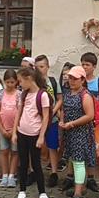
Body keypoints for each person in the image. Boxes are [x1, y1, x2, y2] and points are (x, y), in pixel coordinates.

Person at [58, 65, 96, 198]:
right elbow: (64, 109)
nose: (71, 81)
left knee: (79, 162)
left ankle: (78, 195)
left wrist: (72, 123)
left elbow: (90, 115)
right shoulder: (68, 93)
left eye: (75, 78)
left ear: (82, 80)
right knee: (74, 160)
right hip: (70, 133)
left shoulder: (85, 95)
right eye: (70, 78)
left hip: (81, 133)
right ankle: (80, 188)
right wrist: (62, 120)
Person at [14, 65, 51, 198]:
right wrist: (14, 132)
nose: (20, 84)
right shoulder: (24, 94)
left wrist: (41, 136)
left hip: (35, 134)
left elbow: (46, 117)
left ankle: (42, 193)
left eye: (20, 81)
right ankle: (22, 191)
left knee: (36, 164)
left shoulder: (43, 95)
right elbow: (19, 113)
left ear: (29, 79)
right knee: (23, 164)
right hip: (22, 133)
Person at [35, 54, 63, 188]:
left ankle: (54, 172)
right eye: (37, 67)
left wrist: (53, 111)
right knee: (35, 146)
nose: (39, 69)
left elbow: (60, 99)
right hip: (37, 120)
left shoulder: (52, 81)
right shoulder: (34, 82)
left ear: (47, 67)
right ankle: (34, 171)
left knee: (52, 146)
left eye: (41, 66)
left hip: (52, 120)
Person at [80, 51, 99, 191]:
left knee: (93, 150)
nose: (84, 67)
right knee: (78, 150)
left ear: (94, 66)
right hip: (80, 122)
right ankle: (75, 178)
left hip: (94, 123)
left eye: (87, 64)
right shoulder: (78, 80)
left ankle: (91, 178)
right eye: (82, 64)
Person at [0, 69, 21, 188]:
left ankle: (12, 175)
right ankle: (5, 174)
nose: (10, 84)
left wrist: (14, 130)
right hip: (3, 128)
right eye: (7, 82)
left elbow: (20, 113)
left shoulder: (19, 94)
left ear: (16, 82)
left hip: (15, 129)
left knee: (15, 152)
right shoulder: (1, 94)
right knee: (4, 151)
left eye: (12, 82)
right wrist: (1, 128)